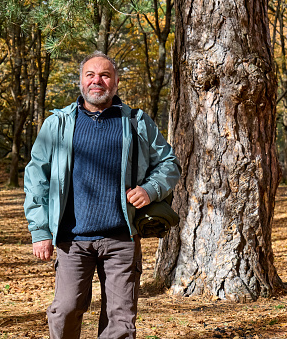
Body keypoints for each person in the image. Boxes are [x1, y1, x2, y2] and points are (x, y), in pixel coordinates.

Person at [24, 51, 181, 339]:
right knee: (66, 308)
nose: (98, 81)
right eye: (90, 75)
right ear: (81, 82)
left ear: (116, 82)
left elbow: (169, 164)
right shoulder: (57, 125)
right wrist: (40, 231)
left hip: (122, 237)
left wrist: (150, 189)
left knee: (120, 321)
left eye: (105, 75)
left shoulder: (136, 122)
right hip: (72, 239)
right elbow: (37, 179)